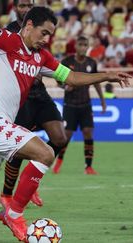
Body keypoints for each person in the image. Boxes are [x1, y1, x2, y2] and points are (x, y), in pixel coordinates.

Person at [0, 6, 131, 243]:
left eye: (50, 35)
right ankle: (14, 212)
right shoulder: (8, 41)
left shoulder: (42, 57)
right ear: (28, 25)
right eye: (43, 33)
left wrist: (105, 75)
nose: (46, 39)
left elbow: (71, 77)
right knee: (45, 153)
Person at [0, 0, 68, 210]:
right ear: (15, 9)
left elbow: (46, 60)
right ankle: (6, 194)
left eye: (29, 4)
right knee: (18, 148)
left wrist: (60, 77)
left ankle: (30, 180)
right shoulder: (9, 33)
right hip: (21, 96)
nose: (25, 8)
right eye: (22, 5)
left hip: (40, 94)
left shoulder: (41, 31)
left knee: (59, 138)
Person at [53, 36, 106, 175]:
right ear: (75, 46)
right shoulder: (67, 62)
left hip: (85, 104)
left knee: (88, 132)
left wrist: (102, 100)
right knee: (67, 135)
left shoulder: (91, 63)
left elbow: (96, 81)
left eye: (85, 45)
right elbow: (58, 80)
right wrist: (65, 87)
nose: (83, 47)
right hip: (70, 105)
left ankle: (88, 167)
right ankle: (59, 161)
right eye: (81, 45)